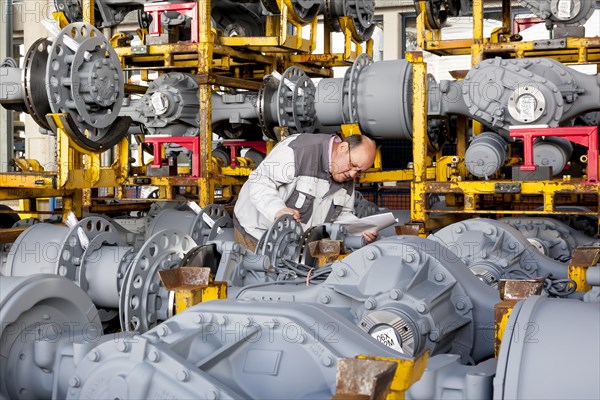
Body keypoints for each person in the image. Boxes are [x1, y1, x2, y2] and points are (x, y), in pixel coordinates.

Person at [233, 133, 377, 251]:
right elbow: (261, 180)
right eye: (353, 165)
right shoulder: (299, 150)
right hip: (255, 235)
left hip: (293, 245)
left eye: (359, 171)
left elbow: (341, 214)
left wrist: (359, 229)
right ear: (343, 147)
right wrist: (277, 210)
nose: (352, 174)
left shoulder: (345, 176)